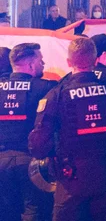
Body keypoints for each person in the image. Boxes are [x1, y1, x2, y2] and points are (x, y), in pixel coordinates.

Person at [29, 37, 106, 221]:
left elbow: (38, 145)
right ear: (95, 60)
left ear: (69, 62)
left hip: (71, 178)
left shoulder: (57, 93)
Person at [0, 44, 57, 221]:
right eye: (40, 61)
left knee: (6, 212)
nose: (43, 63)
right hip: (33, 162)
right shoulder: (45, 87)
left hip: (1, 160)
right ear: (31, 65)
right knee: (35, 211)